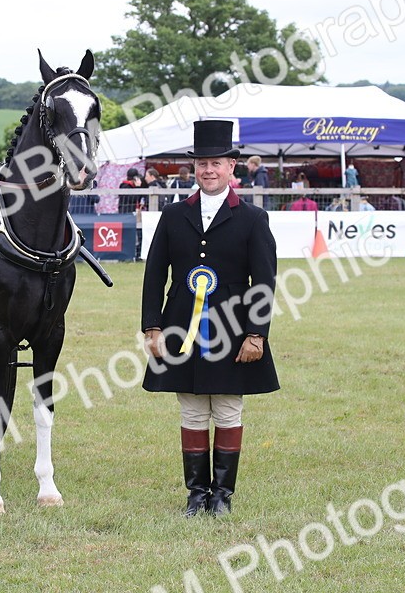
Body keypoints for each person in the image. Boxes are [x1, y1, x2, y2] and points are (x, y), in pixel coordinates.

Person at [141, 119, 278, 517]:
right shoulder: (173, 216)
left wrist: (256, 334)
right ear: (194, 168)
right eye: (202, 163)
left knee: (228, 408)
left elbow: (264, 281)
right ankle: (196, 492)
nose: (208, 170)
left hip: (233, 330)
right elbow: (154, 274)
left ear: (231, 167)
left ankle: (222, 495)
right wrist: (153, 326)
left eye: (216, 163)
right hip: (181, 326)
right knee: (192, 409)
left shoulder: (253, 218)